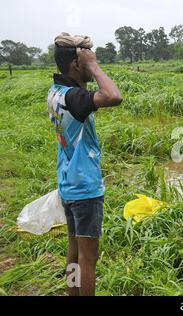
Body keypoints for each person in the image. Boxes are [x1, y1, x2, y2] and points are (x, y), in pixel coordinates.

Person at [47, 33, 122, 296]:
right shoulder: (74, 99)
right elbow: (113, 96)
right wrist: (95, 68)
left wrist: (88, 64)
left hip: (68, 184)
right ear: (77, 64)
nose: (94, 61)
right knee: (89, 258)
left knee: (74, 250)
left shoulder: (55, 92)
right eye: (89, 58)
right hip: (85, 188)